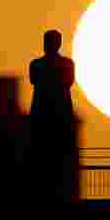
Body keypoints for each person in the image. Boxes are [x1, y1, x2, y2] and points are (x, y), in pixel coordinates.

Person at [29, 30, 77, 202]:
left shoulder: (36, 64)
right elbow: (68, 82)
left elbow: (34, 81)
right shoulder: (67, 64)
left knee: (46, 156)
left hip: (45, 115)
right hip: (57, 114)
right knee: (57, 156)